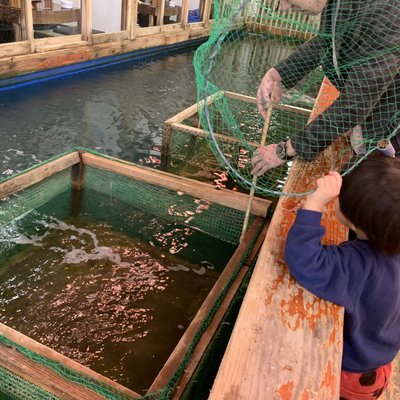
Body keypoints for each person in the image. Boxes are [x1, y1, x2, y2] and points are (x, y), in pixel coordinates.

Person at [285, 152, 400, 399]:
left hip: (350, 374)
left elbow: (304, 259)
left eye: (339, 197)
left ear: (356, 222)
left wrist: (315, 203)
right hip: (379, 360)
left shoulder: (359, 266)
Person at [251, 0, 400, 177]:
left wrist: (285, 149)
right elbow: (327, 42)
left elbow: (355, 103)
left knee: (379, 178)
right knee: (361, 147)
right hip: (375, 111)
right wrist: (278, 73)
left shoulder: (386, 10)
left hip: (393, 121)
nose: (283, 7)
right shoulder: (338, 4)